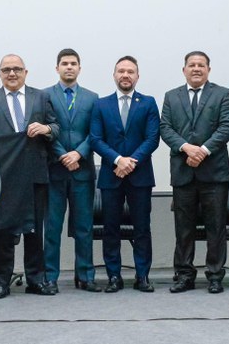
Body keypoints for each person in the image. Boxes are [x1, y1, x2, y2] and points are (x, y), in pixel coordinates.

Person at [0, 54, 59, 298]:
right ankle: (2, 281)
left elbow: (56, 128)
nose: (12, 73)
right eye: (6, 70)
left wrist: (46, 129)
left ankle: (35, 279)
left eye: (17, 69)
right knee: (4, 231)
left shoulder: (41, 97)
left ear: (26, 72)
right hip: (2, 177)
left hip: (35, 173)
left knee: (35, 230)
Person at [159, 51, 229, 294]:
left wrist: (202, 150)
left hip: (214, 173)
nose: (196, 69)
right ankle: (184, 275)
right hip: (183, 172)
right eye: (191, 65)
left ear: (208, 70)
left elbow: (227, 127)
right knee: (184, 228)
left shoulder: (222, 94)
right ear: (184, 70)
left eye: (201, 65)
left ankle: (214, 275)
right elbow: (165, 128)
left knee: (216, 227)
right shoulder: (172, 96)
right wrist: (186, 148)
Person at [89, 55, 160, 293]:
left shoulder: (148, 103)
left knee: (142, 228)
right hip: (111, 175)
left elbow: (152, 138)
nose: (125, 75)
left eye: (130, 71)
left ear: (137, 76)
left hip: (140, 177)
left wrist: (131, 162)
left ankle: (142, 276)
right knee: (111, 229)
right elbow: (96, 139)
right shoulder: (101, 104)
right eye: (121, 71)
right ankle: (114, 276)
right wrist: (118, 160)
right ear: (114, 75)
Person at [44, 49, 102, 292]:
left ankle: (86, 275)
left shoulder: (92, 97)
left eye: (73, 63)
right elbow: (47, 130)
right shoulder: (44, 96)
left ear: (80, 68)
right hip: (55, 171)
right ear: (57, 68)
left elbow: (96, 132)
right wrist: (62, 154)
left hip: (82, 171)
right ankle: (49, 277)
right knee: (53, 227)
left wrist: (78, 153)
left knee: (83, 227)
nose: (69, 67)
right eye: (64, 63)